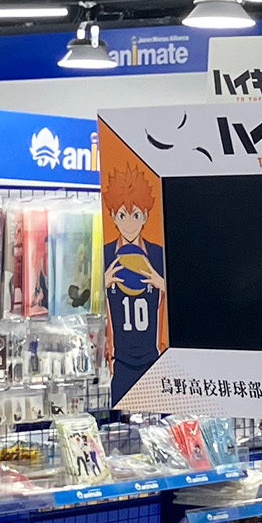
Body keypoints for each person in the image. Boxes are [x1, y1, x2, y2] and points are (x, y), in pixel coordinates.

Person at [100, 162, 167, 403]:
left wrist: (161, 283)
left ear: (146, 215)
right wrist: (101, 285)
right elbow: (80, 302)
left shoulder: (159, 255)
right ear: (112, 216)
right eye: (122, 215)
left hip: (154, 359)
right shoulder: (104, 254)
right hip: (120, 361)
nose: (129, 224)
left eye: (136, 215)